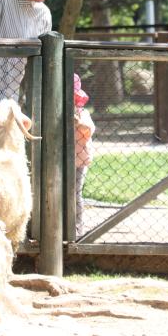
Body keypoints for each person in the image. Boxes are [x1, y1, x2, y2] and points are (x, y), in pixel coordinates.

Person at [73, 74, 95, 237]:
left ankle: (77, 228)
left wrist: (78, 123)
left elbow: (88, 131)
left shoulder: (83, 114)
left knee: (75, 194)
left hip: (79, 161)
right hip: (60, 161)